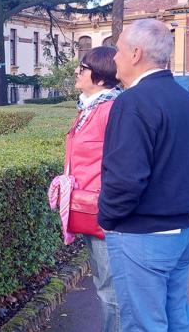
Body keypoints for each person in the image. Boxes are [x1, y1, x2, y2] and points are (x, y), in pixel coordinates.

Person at [99, 19, 189, 331]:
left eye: (118, 50)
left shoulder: (132, 102)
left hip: (142, 235)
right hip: (182, 231)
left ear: (135, 53)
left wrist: (107, 218)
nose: (114, 57)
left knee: (144, 324)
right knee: (176, 317)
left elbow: (125, 178)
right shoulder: (187, 101)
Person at [64, 46, 121, 332]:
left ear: (100, 77)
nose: (77, 71)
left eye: (83, 68)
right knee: (104, 284)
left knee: (111, 290)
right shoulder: (89, 108)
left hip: (103, 215)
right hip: (87, 211)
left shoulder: (110, 110)